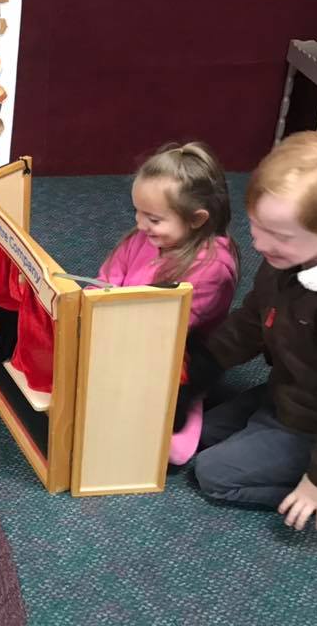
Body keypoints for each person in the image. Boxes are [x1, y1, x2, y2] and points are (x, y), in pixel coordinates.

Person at [194, 131, 317, 531]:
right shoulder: (290, 257)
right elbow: (252, 320)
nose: (259, 243)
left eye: (279, 236)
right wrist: (201, 365)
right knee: (194, 433)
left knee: (213, 474)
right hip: (292, 395)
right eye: (255, 226)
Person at [98, 142, 239, 464]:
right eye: (138, 212)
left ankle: (185, 412)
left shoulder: (212, 267)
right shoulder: (144, 237)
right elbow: (112, 271)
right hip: (129, 325)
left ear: (197, 219)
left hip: (182, 346)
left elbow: (168, 327)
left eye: (154, 219)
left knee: (154, 417)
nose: (140, 224)